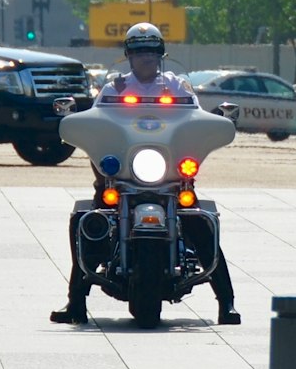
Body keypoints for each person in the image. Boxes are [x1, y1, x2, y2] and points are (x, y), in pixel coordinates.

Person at [50, 22, 240, 326]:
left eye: (152, 51)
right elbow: (97, 124)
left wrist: (210, 128)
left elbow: (196, 118)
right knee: (88, 225)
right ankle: (75, 301)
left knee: (202, 227)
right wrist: (98, 156)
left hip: (170, 180)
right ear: (128, 55)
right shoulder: (115, 88)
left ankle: (226, 303)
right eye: (139, 52)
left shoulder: (177, 87)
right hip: (123, 178)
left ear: (161, 53)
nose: (146, 58)